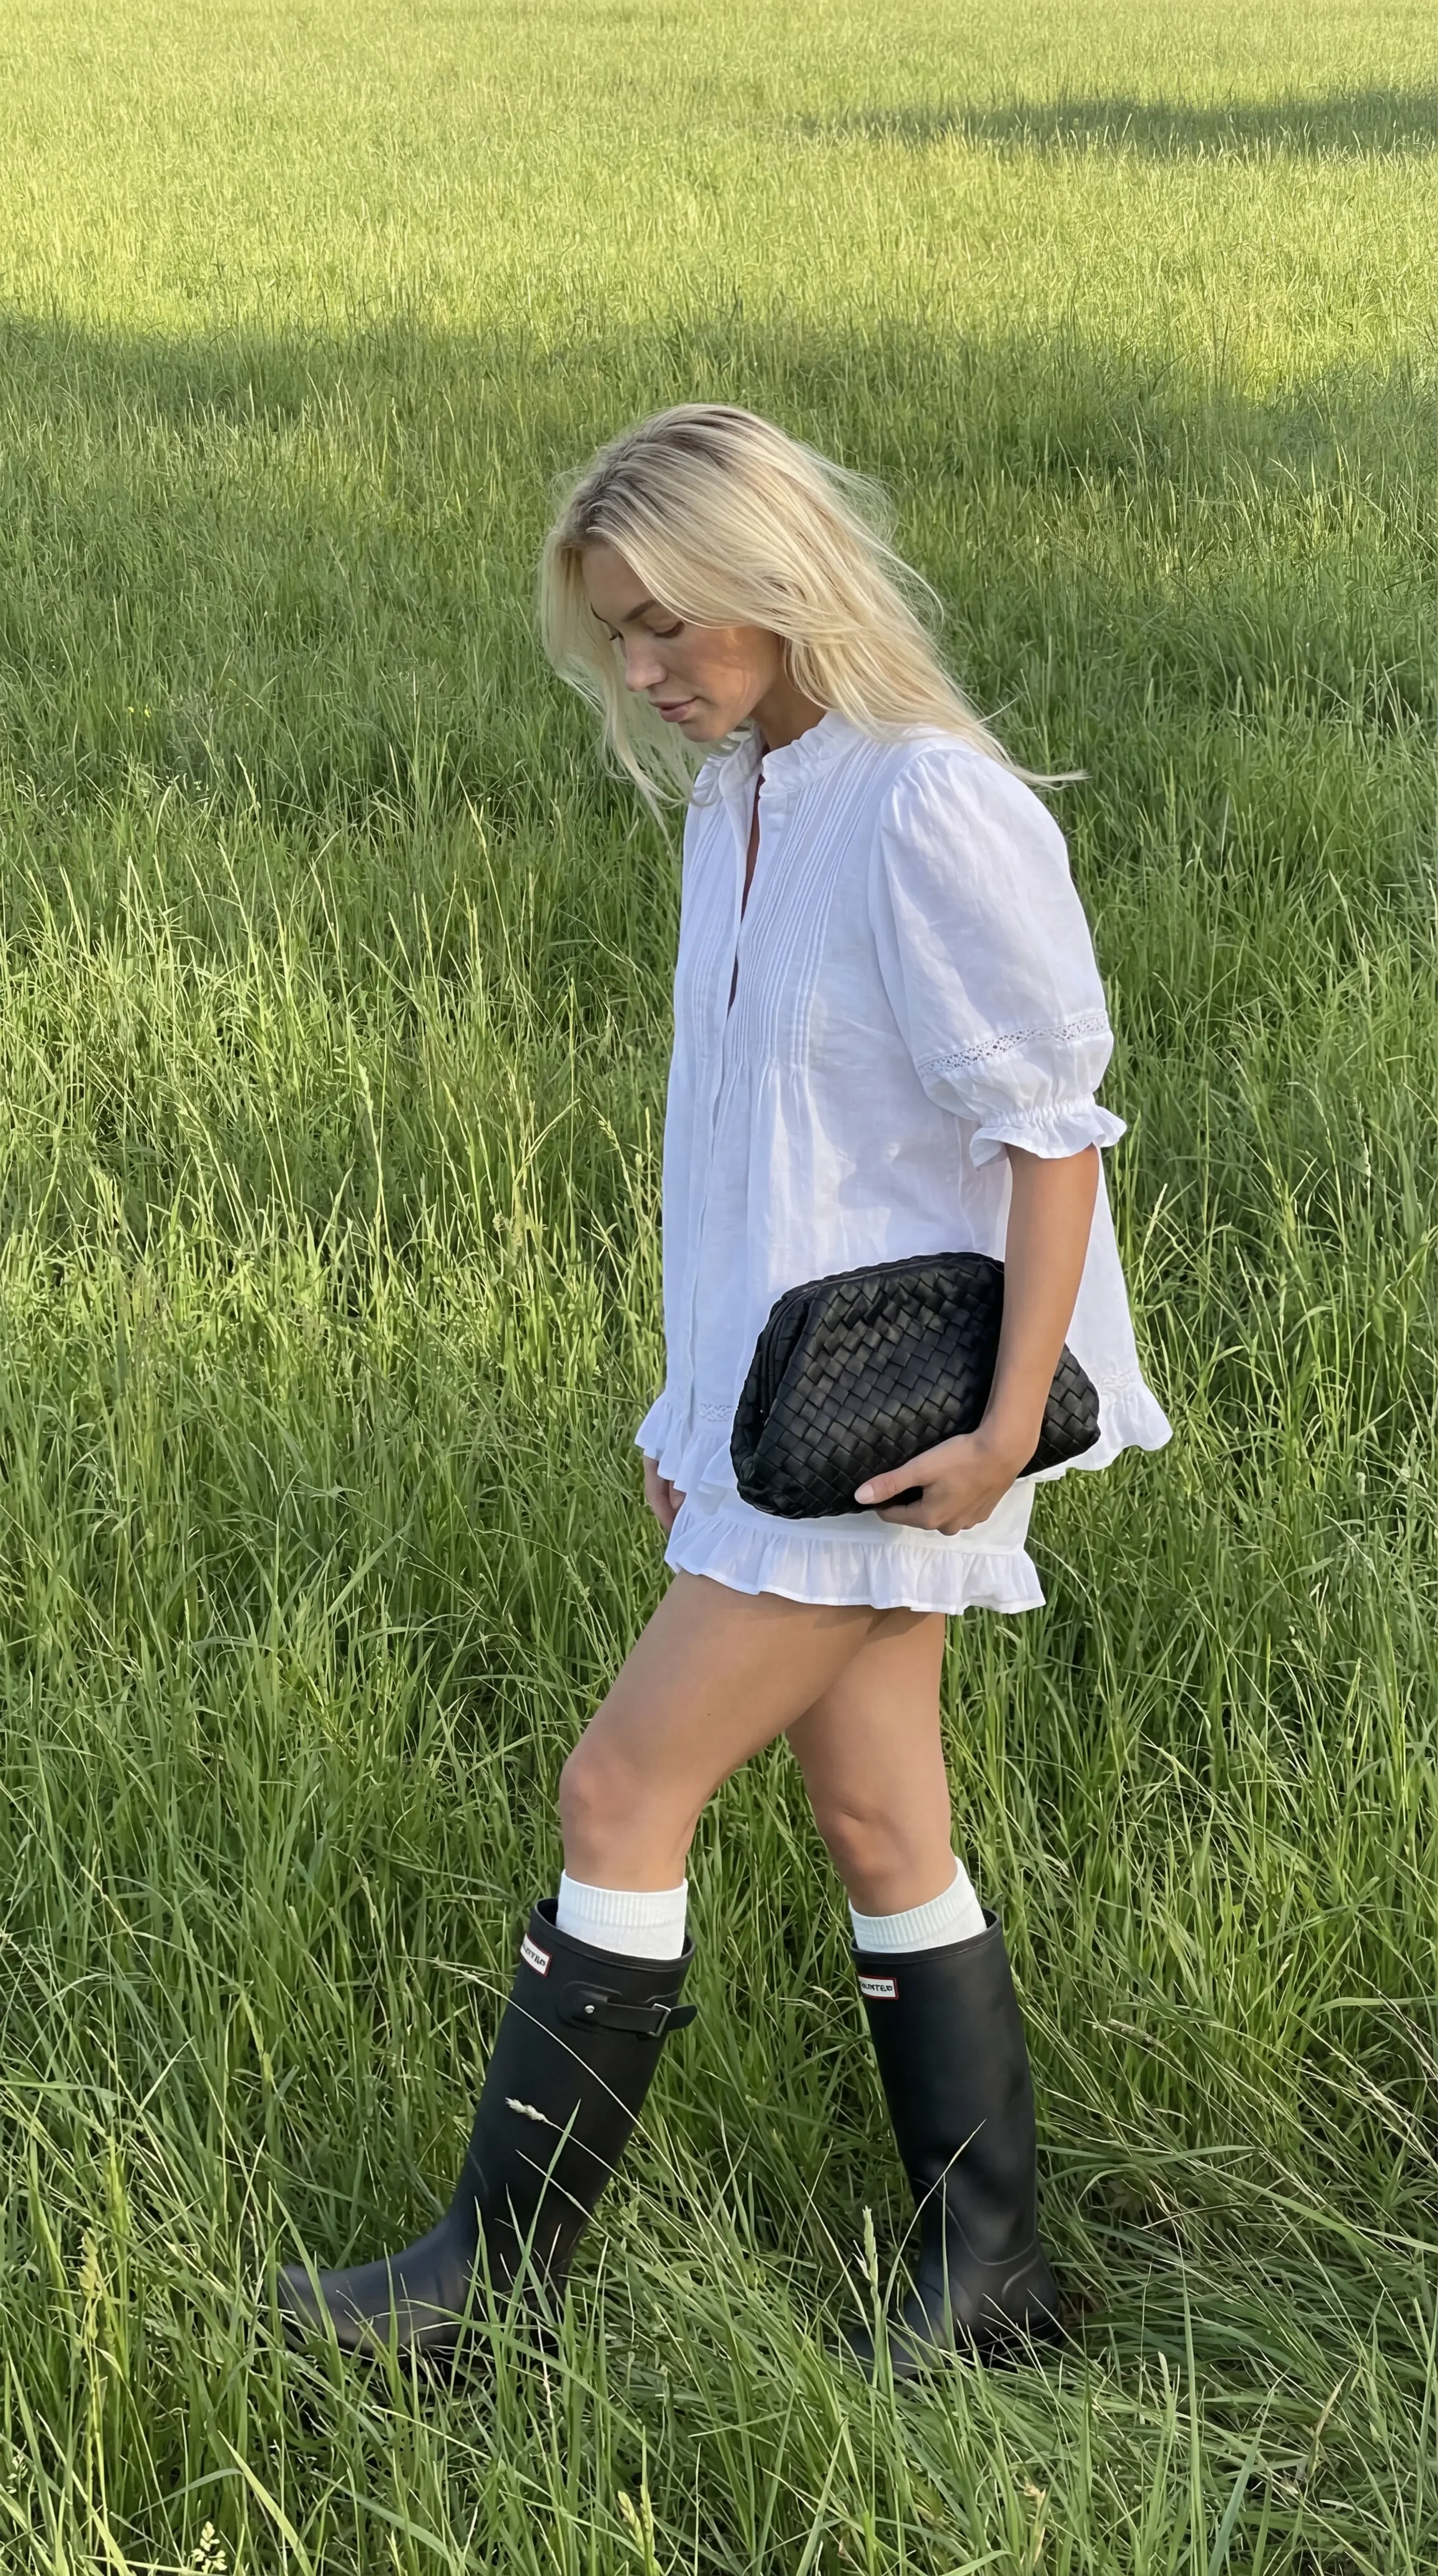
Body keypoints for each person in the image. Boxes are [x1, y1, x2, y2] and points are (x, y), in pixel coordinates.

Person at [274, 405, 1170, 2373]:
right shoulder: (742, 798)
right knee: (878, 1815)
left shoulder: (927, 805)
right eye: (616, 632)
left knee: (621, 1784)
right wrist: (694, 1420)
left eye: (669, 620)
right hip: (790, 1411)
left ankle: (483, 2291)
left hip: (911, 1422)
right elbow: (747, 1154)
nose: (643, 668)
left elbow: (1049, 1137)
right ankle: (994, 2282)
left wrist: (1005, 1429)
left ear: (776, 582)